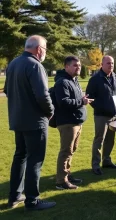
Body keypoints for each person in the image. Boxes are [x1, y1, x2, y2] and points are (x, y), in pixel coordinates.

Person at [4, 35, 56, 210]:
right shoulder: (35, 65)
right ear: (39, 49)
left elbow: (6, 90)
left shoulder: (13, 64)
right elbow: (42, 95)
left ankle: (15, 196)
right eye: (45, 50)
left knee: (20, 157)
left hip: (18, 119)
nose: (45, 54)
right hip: (35, 121)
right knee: (35, 160)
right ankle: (32, 201)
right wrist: (50, 112)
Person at [54, 56, 94, 190]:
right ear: (66, 66)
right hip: (67, 122)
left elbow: (73, 99)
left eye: (79, 65)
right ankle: (61, 181)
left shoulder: (74, 80)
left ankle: (67, 175)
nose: (78, 67)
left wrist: (82, 99)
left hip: (76, 121)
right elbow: (63, 102)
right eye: (75, 65)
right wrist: (81, 102)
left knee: (71, 150)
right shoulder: (62, 82)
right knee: (66, 151)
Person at [86, 56, 116, 175]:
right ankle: (96, 165)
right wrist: (103, 108)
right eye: (108, 63)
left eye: (112, 63)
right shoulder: (95, 79)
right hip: (102, 116)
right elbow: (90, 97)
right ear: (102, 64)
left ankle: (106, 161)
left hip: (115, 115)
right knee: (99, 140)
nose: (111, 65)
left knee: (110, 140)